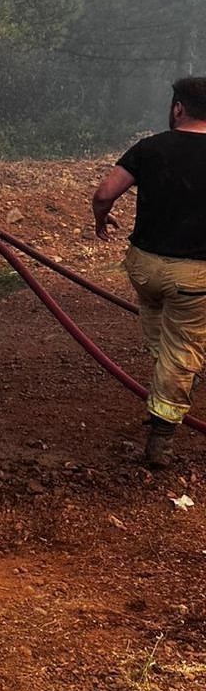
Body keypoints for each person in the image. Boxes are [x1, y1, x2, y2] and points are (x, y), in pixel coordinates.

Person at [92, 76, 206, 469]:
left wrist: (101, 221)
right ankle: (161, 435)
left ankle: (174, 383)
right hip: (195, 278)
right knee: (181, 352)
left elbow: (105, 193)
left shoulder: (150, 147)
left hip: (144, 268)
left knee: (163, 340)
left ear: (178, 108)